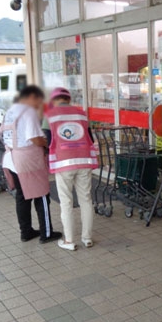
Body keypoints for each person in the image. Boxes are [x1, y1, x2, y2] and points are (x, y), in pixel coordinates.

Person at [1, 85, 62, 244]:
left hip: (11, 157)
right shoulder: (28, 112)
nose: (40, 104)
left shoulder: (11, 111)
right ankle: (46, 233)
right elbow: (34, 138)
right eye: (39, 100)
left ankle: (26, 232)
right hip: (28, 159)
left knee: (22, 197)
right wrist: (47, 142)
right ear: (32, 97)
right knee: (41, 194)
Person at [46, 87, 98, 251]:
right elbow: (89, 137)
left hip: (63, 162)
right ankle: (87, 238)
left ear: (54, 100)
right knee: (86, 200)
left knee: (66, 202)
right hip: (84, 160)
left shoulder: (50, 115)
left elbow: (47, 139)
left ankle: (69, 241)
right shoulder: (81, 113)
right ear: (68, 99)